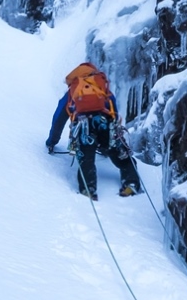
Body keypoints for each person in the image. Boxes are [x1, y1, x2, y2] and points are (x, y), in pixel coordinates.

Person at [46, 62, 143, 200]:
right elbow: (113, 110)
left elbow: (59, 119)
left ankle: (88, 190)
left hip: (84, 127)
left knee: (87, 158)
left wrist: (52, 141)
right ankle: (131, 182)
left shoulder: (73, 91)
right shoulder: (100, 85)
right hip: (105, 123)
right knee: (120, 154)